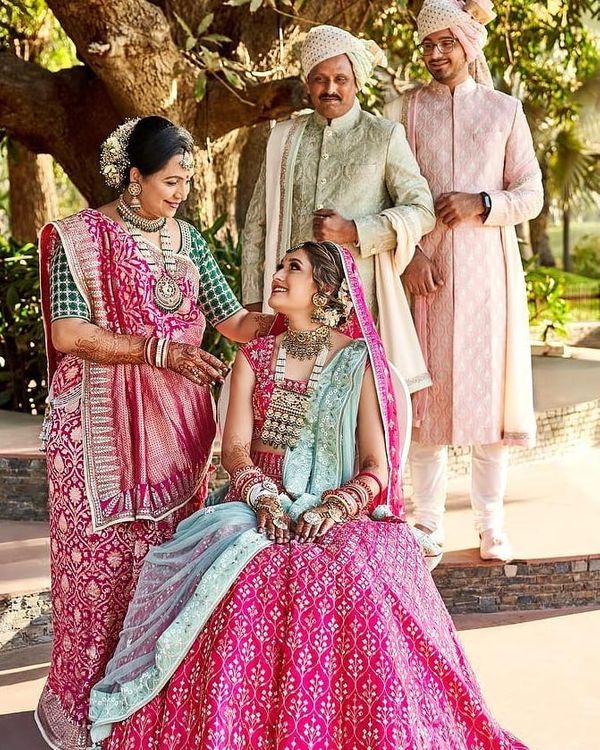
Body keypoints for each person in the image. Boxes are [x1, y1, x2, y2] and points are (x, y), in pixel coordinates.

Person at [88, 241, 528, 750]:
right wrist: (265, 499)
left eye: (291, 268)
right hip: (257, 509)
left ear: (323, 289)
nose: (277, 274)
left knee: (354, 582)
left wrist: (334, 507)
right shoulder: (253, 357)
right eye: (278, 265)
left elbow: (375, 467)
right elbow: (234, 450)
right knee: (240, 574)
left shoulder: (359, 360)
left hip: (340, 514)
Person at [35, 116, 273, 750]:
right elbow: (68, 333)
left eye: (187, 179)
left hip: (179, 437)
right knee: (96, 574)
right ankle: (82, 705)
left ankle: (147, 707)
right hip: (95, 435)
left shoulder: (191, 242)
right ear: (133, 177)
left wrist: (307, 318)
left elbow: (233, 323)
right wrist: (157, 352)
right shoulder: (77, 240)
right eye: (170, 180)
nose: (181, 192)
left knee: (166, 570)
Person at [385, 0, 543, 561]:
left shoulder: (504, 111)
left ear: (468, 46)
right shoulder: (405, 111)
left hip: (487, 277)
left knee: (488, 405)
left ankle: (490, 523)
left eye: (445, 43)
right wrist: (410, 259)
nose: (434, 54)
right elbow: (390, 193)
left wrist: (483, 202)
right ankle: (427, 522)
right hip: (423, 276)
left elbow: (531, 193)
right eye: (426, 44)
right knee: (424, 400)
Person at [242, 24, 436, 395]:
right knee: (288, 412)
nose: (330, 88)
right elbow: (257, 225)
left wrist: (355, 231)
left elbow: (421, 209)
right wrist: (254, 302)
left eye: (340, 79)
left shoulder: (383, 136)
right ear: (308, 82)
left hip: (357, 306)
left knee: (349, 412)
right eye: (320, 79)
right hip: (288, 308)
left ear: (357, 82)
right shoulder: (284, 137)